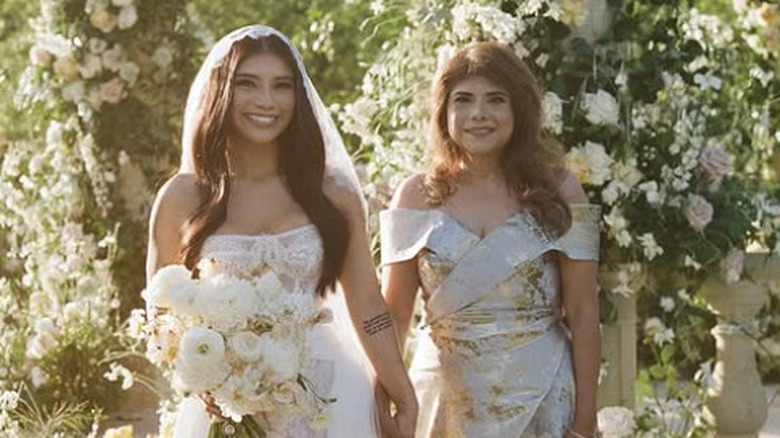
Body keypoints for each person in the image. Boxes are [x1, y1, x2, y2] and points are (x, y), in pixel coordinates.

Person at [146, 25, 417, 438]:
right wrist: (204, 378)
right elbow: (161, 317)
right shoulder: (184, 196)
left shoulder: (332, 193)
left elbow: (367, 305)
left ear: (298, 96)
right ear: (222, 91)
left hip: (330, 395)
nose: (266, 101)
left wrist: (403, 392)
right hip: (227, 405)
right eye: (248, 84)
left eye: (281, 86)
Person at [376, 41, 601, 438]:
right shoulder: (414, 195)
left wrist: (584, 424)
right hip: (444, 401)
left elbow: (583, 314)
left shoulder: (560, 189)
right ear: (444, 112)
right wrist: (381, 406)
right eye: (463, 100)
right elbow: (394, 317)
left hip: (544, 399)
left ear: (519, 109)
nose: (478, 113)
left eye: (495, 99)